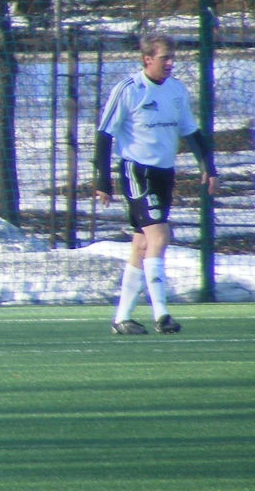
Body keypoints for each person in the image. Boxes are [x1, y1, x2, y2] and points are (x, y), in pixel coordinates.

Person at [93, 32, 220, 335]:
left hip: (165, 173)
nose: (171, 63)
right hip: (137, 171)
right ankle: (161, 314)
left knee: (142, 243)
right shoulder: (128, 89)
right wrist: (102, 180)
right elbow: (104, 134)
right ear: (147, 59)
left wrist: (209, 166)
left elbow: (191, 131)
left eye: (173, 57)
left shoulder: (176, 90)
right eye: (165, 57)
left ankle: (122, 318)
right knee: (160, 235)